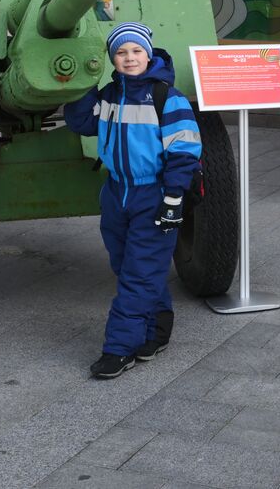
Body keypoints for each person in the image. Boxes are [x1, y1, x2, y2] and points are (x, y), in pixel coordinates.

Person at [65, 22, 203, 379]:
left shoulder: (166, 98)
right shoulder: (110, 94)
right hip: (116, 193)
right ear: (113, 58)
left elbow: (185, 150)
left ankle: (119, 349)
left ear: (149, 53)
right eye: (121, 52)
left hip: (153, 196)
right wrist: (80, 79)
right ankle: (156, 330)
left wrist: (173, 197)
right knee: (128, 266)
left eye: (136, 51)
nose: (129, 58)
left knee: (138, 276)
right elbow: (81, 121)